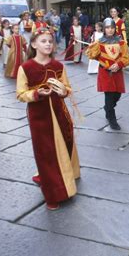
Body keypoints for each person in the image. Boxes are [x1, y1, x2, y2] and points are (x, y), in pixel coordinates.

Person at [16, 26, 80, 210]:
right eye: (43, 41)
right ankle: (52, 193)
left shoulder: (58, 66)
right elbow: (21, 94)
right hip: (39, 117)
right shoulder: (26, 67)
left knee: (64, 146)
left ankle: (66, 178)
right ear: (34, 44)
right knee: (45, 153)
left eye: (50, 41)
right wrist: (36, 94)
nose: (48, 44)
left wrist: (63, 91)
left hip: (60, 113)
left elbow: (67, 88)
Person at [86, 18, 129, 130]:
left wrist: (119, 64)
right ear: (104, 29)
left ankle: (108, 108)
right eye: (107, 28)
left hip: (117, 73)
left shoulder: (121, 42)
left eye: (112, 28)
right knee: (109, 96)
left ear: (115, 28)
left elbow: (126, 58)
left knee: (117, 95)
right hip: (105, 73)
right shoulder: (99, 42)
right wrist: (95, 51)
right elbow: (91, 55)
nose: (110, 30)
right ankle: (112, 118)